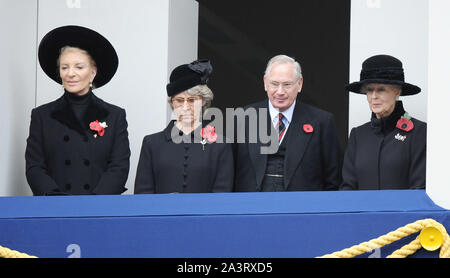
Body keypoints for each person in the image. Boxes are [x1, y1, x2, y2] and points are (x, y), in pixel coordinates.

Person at [25, 25, 130, 195]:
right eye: (64, 67)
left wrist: (94, 203)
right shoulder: (41, 116)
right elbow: (34, 166)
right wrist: (56, 200)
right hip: (55, 209)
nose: (70, 73)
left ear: (93, 73)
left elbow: (118, 167)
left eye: (79, 67)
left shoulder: (114, 116)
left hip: (99, 210)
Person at [234, 55, 342, 192]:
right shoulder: (243, 118)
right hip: (252, 208)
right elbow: (230, 172)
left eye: (287, 85)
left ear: (300, 84)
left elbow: (333, 180)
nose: (280, 92)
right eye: (274, 84)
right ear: (265, 83)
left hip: (302, 209)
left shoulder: (322, 122)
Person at [134, 59, 234, 193]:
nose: (185, 107)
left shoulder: (221, 146)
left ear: (204, 101)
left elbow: (222, 196)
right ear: (172, 103)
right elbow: (143, 196)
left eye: (192, 100)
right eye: (179, 100)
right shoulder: (152, 143)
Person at [341, 54, 426, 190]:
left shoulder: (420, 132)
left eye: (381, 89)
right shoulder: (358, 135)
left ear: (397, 91)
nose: (374, 96)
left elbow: (419, 189)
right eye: (369, 90)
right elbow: (348, 188)